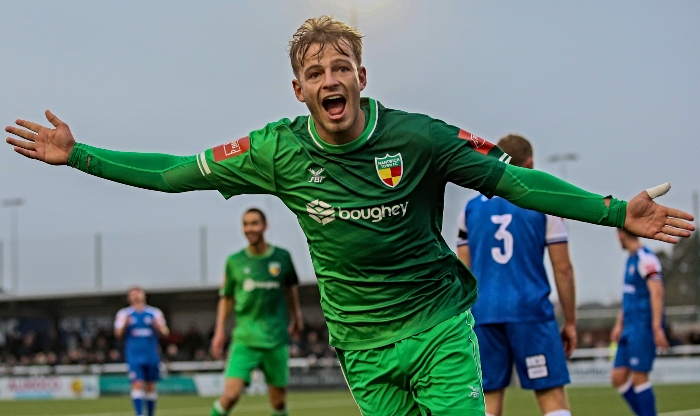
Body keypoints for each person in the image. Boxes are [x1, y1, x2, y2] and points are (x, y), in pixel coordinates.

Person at [5, 15, 694, 416]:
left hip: (439, 331)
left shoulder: (419, 138)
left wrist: (613, 211)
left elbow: (514, 181)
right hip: (362, 350)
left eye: (342, 67)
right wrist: (80, 156)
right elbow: (177, 172)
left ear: (362, 77)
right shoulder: (275, 149)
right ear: (298, 87)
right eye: (316, 72)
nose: (330, 80)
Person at [457, 134, 576, 416]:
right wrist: (570, 321)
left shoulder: (470, 209)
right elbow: (563, 268)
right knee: (551, 397)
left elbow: (463, 272)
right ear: (530, 163)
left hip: (483, 315)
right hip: (530, 312)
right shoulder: (544, 203)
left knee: (487, 401)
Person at [209, 208, 303, 416]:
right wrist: (219, 332)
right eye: (245, 224)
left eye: (254, 223)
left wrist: (297, 317)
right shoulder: (234, 261)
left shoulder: (282, 257)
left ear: (265, 226)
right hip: (245, 339)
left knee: (278, 403)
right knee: (230, 395)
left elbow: (290, 290)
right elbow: (227, 298)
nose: (249, 228)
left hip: (276, 338)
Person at [610, 229, 667, 416]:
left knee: (639, 377)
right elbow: (629, 295)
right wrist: (620, 323)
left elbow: (657, 293)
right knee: (618, 377)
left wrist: (657, 327)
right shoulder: (630, 259)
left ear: (621, 234)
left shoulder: (646, 258)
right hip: (629, 327)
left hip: (643, 325)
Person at [114, 287, 169, 416]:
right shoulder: (124, 314)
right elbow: (117, 334)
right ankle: (139, 414)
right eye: (132, 294)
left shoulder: (154, 313)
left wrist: (159, 327)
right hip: (134, 355)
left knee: (150, 386)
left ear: (144, 295)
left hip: (151, 355)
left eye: (138, 293)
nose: (136, 296)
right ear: (129, 298)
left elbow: (166, 332)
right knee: (137, 384)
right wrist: (125, 325)